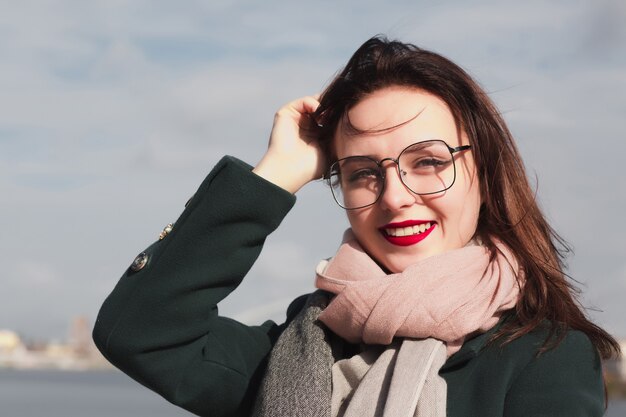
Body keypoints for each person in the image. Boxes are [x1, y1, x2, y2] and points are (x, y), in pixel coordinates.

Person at [93, 36, 620, 417]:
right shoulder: (301, 346)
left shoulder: (542, 356)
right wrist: (276, 174)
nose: (395, 197)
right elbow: (143, 333)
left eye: (429, 162)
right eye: (363, 173)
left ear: (482, 171)